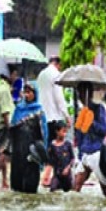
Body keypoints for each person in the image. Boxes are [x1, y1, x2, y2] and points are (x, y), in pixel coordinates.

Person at [73, 81, 106, 197]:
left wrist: (92, 123)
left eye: (82, 92)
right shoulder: (81, 112)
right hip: (84, 153)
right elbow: (79, 135)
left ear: (89, 93)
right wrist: (79, 153)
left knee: (105, 189)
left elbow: (103, 130)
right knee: (76, 186)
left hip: (96, 153)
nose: (80, 96)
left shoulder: (99, 109)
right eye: (78, 93)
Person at [9, 83, 48, 194]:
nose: (27, 95)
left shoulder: (39, 111)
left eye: (29, 92)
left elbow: (44, 133)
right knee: (17, 186)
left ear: (35, 94)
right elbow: (12, 129)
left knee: (30, 186)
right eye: (25, 92)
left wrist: (42, 153)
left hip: (31, 151)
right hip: (18, 152)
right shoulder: (18, 109)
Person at [37, 56, 68, 187]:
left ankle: (45, 176)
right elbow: (59, 97)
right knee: (55, 148)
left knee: (46, 148)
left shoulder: (41, 74)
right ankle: (50, 178)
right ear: (58, 64)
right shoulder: (55, 74)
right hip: (54, 117)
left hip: (43, 117)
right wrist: (66, 115)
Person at [0, 73, 15, 190]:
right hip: (4, 126)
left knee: (3, 154)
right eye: (14, 74)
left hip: (1, 125)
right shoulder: (4, 90)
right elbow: (5, 111)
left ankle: (4, 181)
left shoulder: (2, 88)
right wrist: (10, 126)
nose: (15, 78)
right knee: (3, 154)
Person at [47, 120, 75, 192]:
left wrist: (67, 168)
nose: (65, 134)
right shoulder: (52, 145)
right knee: (52, 190)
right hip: (57, 174)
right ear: (57, 131)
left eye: (66, 131)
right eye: (63, 131)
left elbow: (73, 158)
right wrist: (46, 175)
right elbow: (50, 161)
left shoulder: (68, 144)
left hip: (67, 175)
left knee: (68, 192)